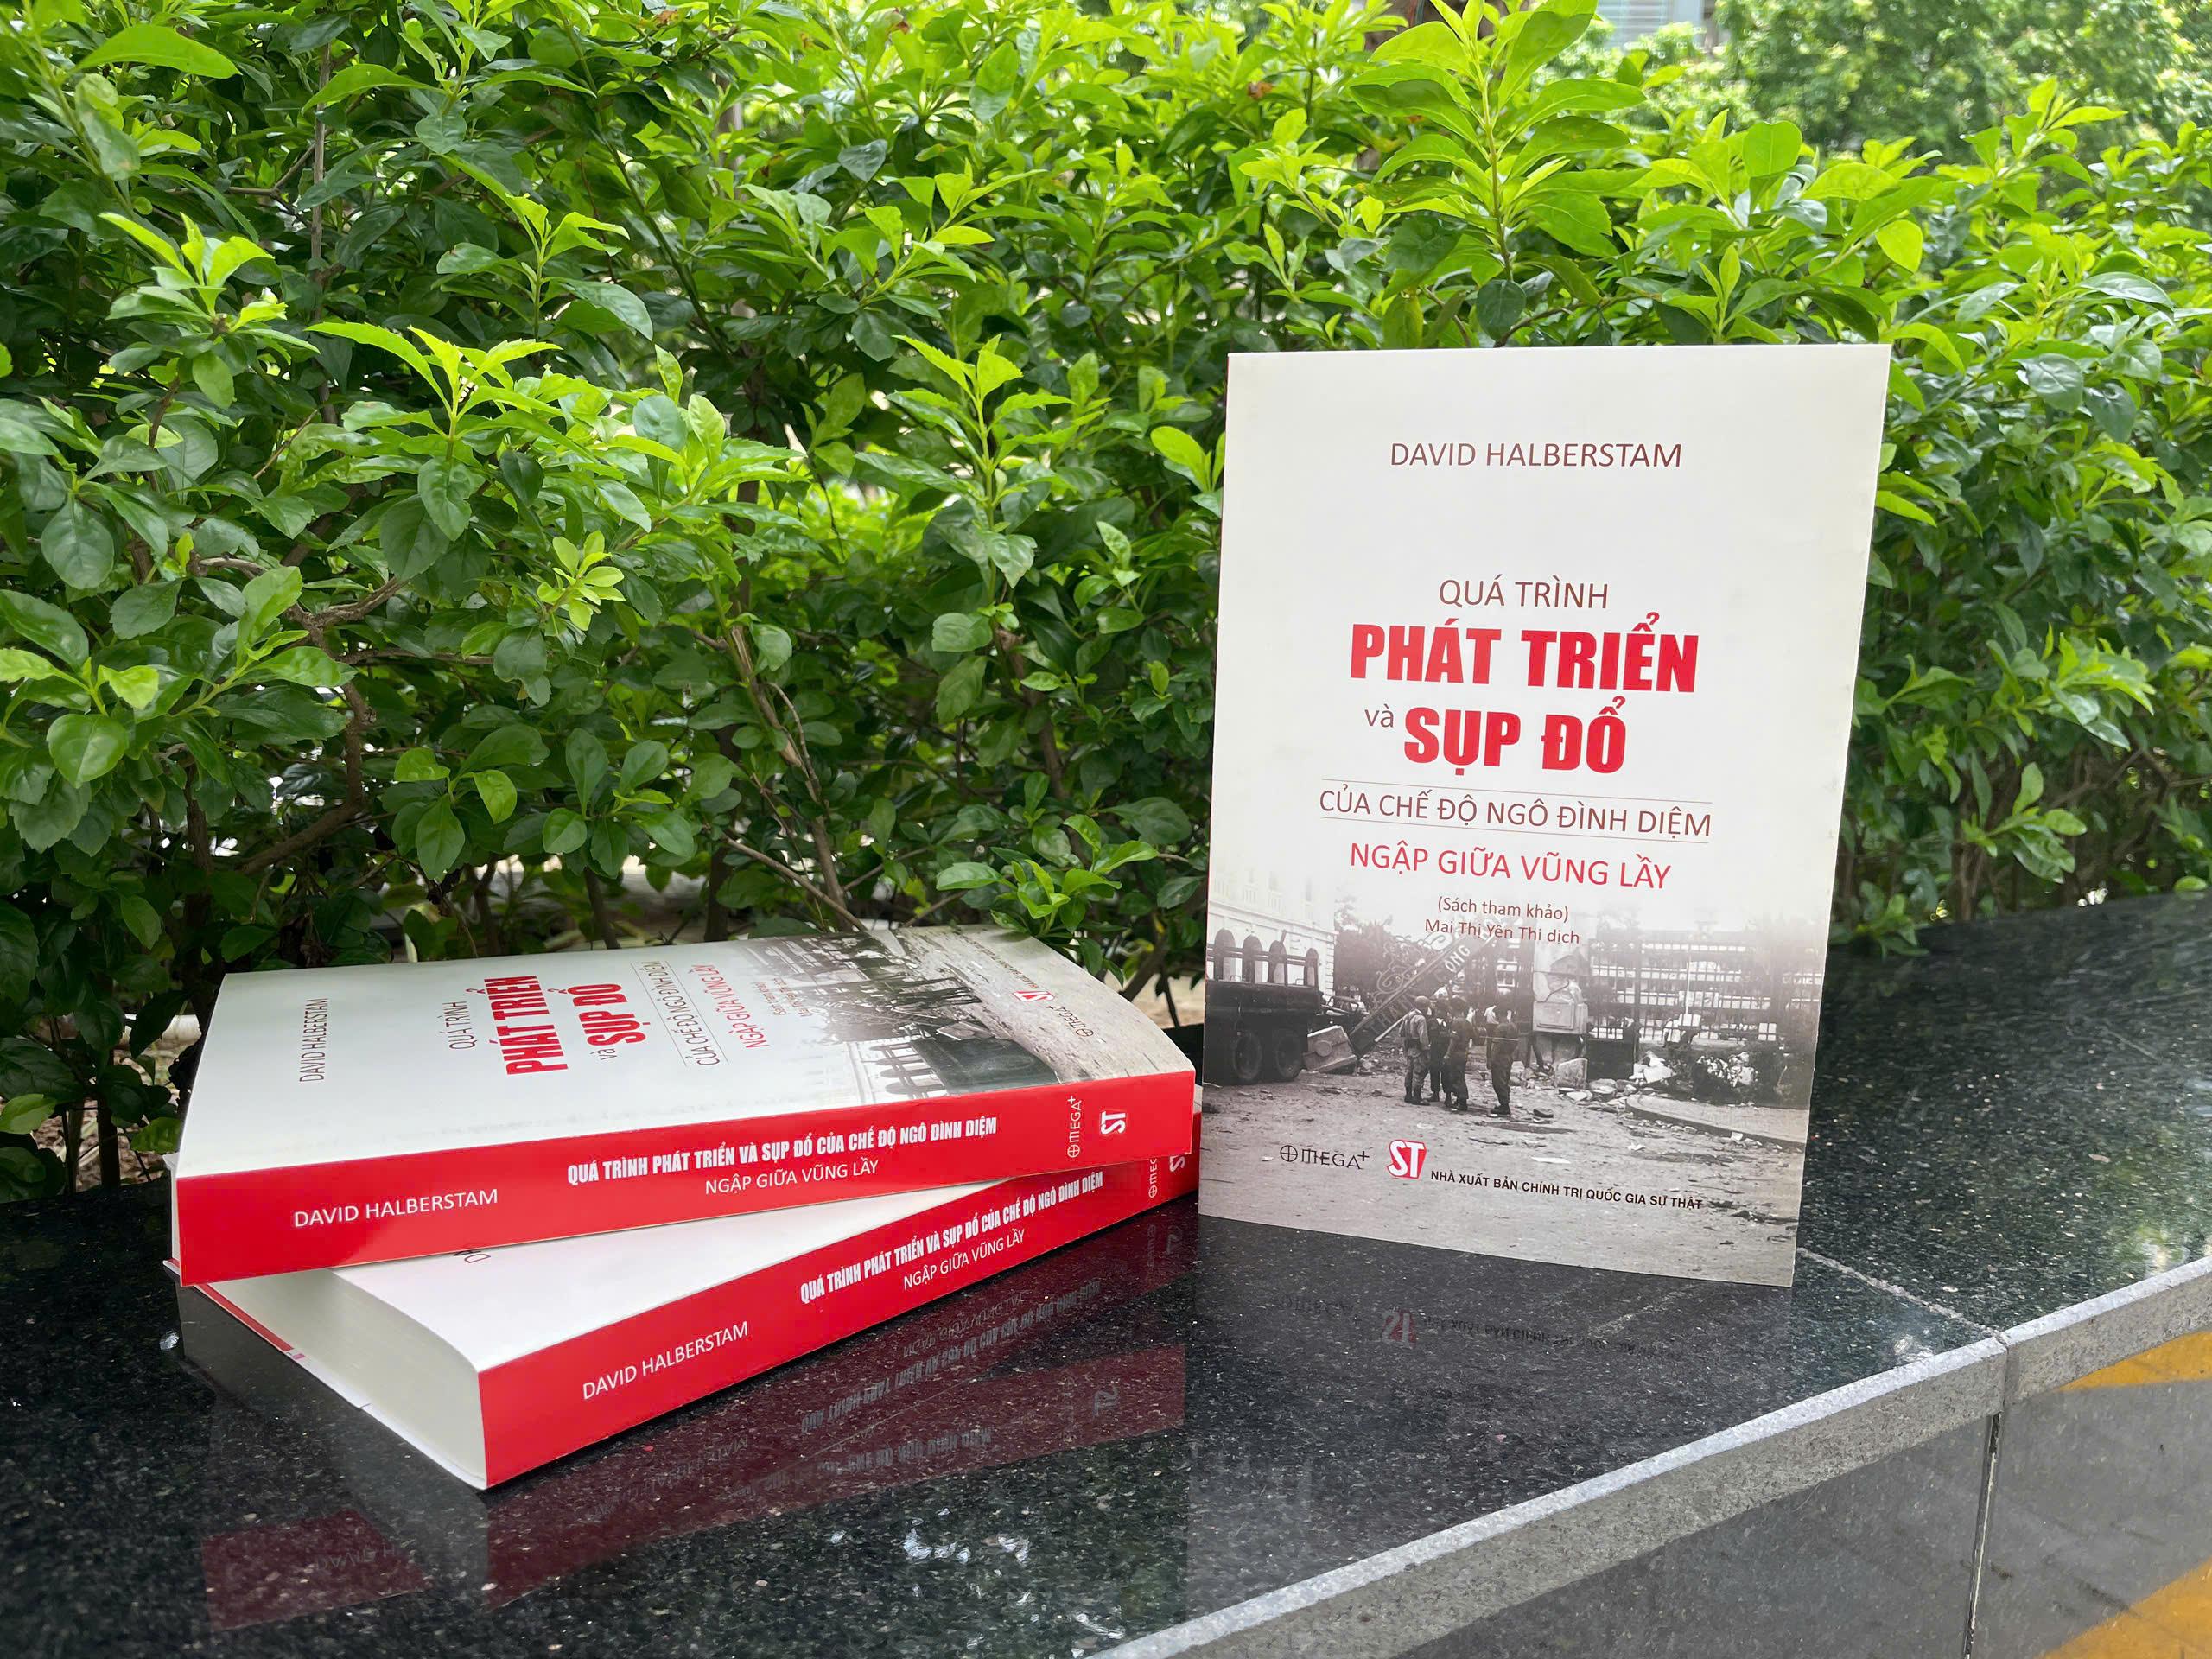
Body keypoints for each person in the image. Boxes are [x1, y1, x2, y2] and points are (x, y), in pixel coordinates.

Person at [1440, 1000, 1472, 1110]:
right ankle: (1459, 1099)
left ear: (1454, 1008)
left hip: (1456, 1053)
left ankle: (1462, 1101)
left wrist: (1448, 1054)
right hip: (1463, 1052)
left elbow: (1453, 1041)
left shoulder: (1456, 1022)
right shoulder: (1467, 1022)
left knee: (1456, 1077)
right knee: (1459, 1075)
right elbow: (1476, 1036)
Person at [1488, 1007, 1521, 1116]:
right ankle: (1505, 1103)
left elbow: (1497, 1045)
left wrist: (1491, 1059)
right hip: (1509, 1056)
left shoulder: (1501, 1027)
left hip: (1500, 1057)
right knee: (1505, 1081)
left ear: (1498, 1015)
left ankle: (1504, 1105)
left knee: (1498, 1081)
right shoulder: (1513, 1026)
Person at [1401, 998, 1432, 1103]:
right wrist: (1426, 1050)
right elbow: (1423, 1037)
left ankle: (1408, 1095)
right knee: (1418, 1072)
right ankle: (1417, 1097)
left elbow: (1401, 1032)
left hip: (1409, 1049)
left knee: (1409, 1072)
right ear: (1424, 1007)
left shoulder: (1407, 1016)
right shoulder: (1421, 1019)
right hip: (1418, 1050)